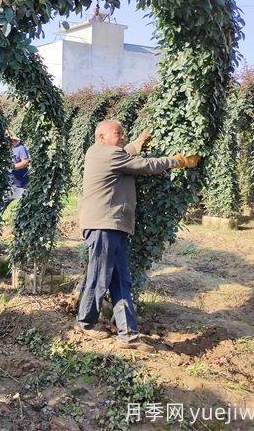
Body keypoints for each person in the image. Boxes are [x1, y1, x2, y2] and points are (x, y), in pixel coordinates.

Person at [76, 120, 200, 349]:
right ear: (102, 137)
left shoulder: (107, 153)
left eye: (124, 133)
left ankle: (128, 335)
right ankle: (85, 322)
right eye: (117, 133)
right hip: (104, 225)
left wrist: (139, 142)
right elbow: (143, 165)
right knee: (99, 275)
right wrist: (178, 161)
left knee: (121, 280)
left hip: (116, 225)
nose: (122, 136)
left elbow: (125, 153)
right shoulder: (103, 154)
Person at [7, 131, 30, 201]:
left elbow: (25, 162)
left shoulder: (21, 148)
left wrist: (12, 167)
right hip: (9, 185)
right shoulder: (8, 149)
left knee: (24, 203)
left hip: (20, 184)